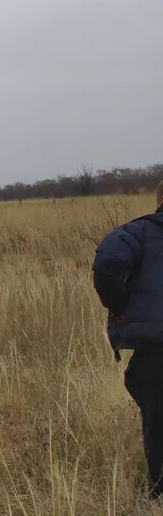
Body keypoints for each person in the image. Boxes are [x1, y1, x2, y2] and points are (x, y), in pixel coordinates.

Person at [93, 179, 163, 497]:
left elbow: (108, 263)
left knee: (159, 420)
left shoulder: (136, 233)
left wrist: (119, 306)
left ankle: (160, 492)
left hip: (155, 348)